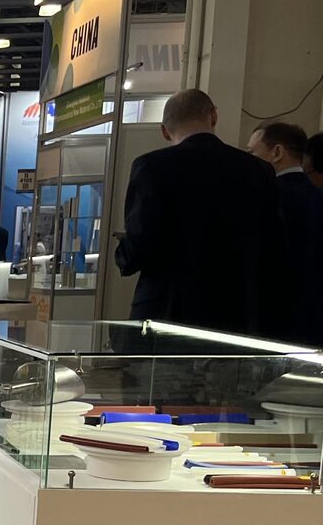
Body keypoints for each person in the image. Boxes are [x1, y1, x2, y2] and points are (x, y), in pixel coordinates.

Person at [114, 88, 287, 336]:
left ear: (164, 131)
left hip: (167, 312)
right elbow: (273, 245)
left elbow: (142, 243)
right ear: (214, 116)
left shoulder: (151, 167)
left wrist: (122, 253)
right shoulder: (258, 170)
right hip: (235, 314)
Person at [249, 121, 323, 344]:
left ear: (277, 153)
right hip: (314, 321)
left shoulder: (267, 199)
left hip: (272, 320)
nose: (249, 160)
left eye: (252, 152)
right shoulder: (318, 197)